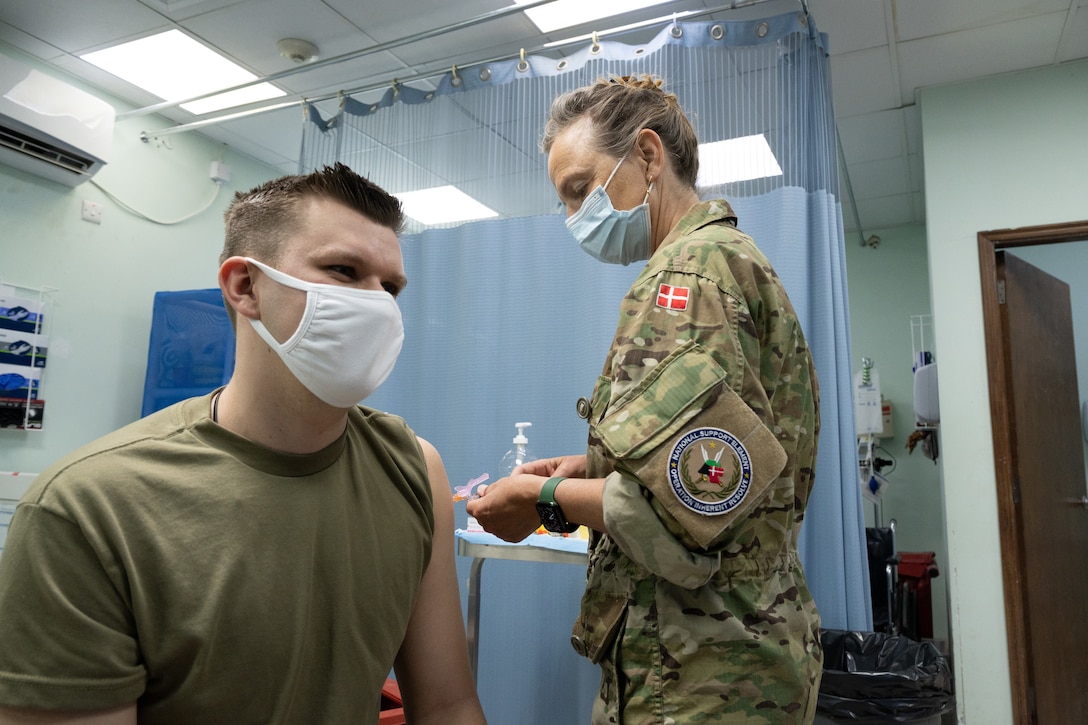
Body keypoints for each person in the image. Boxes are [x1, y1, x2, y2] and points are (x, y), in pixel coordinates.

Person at [0, 164, 486, 725]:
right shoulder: (89, 508)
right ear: (245, 286)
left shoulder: (411, 466)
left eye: (391, 287)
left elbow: (448, 705)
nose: (378, 304)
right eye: (345, 271)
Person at [467, 76, 822, 723]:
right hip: (736, 658)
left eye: (581, 189)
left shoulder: (686, 281)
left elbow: (684, 522)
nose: (576, 217)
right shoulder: (726, 262)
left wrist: (538, 500)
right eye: (564, 203)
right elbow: (710, 472)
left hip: (697, 672)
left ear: (648, 157)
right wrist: (590, 470)